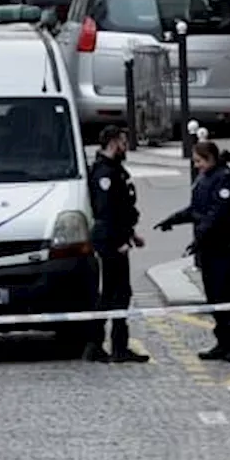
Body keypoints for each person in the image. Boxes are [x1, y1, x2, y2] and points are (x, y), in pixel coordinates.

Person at [156, 141, 230, 362]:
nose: (196, 166)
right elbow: (196, 210)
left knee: (225, 296)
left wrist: (200, 239)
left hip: (223, 247)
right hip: (208, 248)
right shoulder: (205, 179)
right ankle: (223, 342)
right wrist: (173, 220)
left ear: (210, 159)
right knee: (213, 297)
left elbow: (218, 215)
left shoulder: (226, 180)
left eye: (199, 161)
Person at [85, 126, 149, 364]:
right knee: (115, 293)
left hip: (116, 238)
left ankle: (102, 345)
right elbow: (107, 211)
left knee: (116, 292)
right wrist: (121, 240)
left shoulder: (114, 170)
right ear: (113, 143)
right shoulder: (105, 173)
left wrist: (131, 234)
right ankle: (109, 346)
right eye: (123, 142)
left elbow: (121, 209)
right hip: (110, 242)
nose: (126, 147)